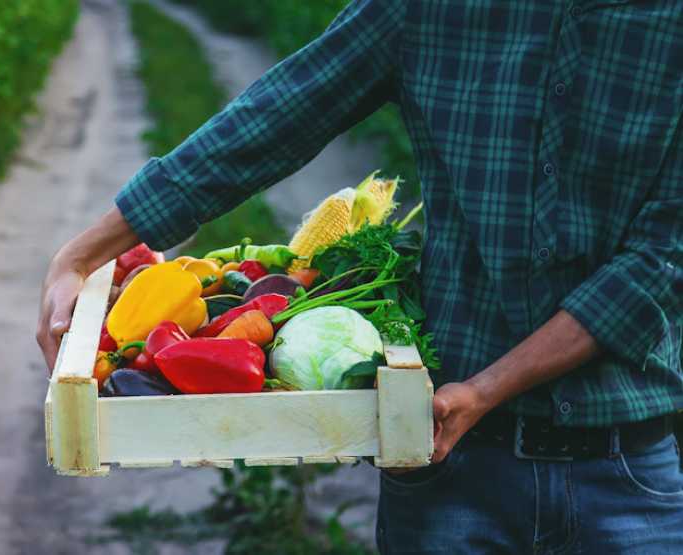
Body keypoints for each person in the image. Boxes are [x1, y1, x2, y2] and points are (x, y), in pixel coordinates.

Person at [38, 1, 682, 552]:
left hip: (625, 473)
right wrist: (82, 254)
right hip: (451, 473)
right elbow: (277, 115)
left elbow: (661, 258)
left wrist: (488, 389)